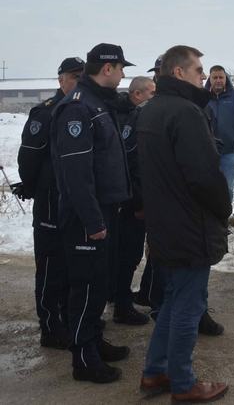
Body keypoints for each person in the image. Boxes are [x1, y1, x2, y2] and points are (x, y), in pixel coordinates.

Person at [137, 45, 231, 403]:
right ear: (178, 73)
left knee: (174, 301)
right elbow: (204, 177)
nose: (204, 77)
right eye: (198, 70)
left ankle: (155, 371)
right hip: (189, 225)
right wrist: (223, 209)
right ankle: (183, 382)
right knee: (187, 306)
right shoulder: (186, 113)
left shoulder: (152, 110)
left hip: (165, 223)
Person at [50, 43, 133, 383]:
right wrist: (92, 220)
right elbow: (76, 173)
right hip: (86, 216)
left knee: (99, 284)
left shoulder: (99, 103)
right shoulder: (78, 108)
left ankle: (94, 341)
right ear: (107, 69)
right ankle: (83, 359)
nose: (124, 74)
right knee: (85, 287)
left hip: (104, 210)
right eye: (121, 68)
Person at [15, 56, 84, 350]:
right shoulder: (46, 113)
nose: (77, 81)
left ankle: (68, 319)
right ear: (60, 80)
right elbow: (28, 158)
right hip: (49, 202)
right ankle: (50, 327)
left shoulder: (83, 109)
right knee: (50, 267)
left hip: (73, 203)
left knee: (71, 265)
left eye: (82, 76)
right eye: (72, 76)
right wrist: (32, 188)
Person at [110, 76, 155, 326]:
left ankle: (118, 297)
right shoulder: (131, 118)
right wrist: (138, 203)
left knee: (126, 253)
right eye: (151, 93)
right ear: (137, 95)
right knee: (127, 254)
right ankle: (122, 306)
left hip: (131, 199)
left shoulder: (132, 115)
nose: (154, 98)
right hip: (131, 202)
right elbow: (132, 165)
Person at [205, 65, 234, 200]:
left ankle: (225, 219)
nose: (218, 80)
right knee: (208, 188)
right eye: (215, 77)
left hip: (229, 152)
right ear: (209, 78)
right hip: (207, 152)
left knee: (227, 188)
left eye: (221, 77)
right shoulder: (202, 97)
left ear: (225, 78)